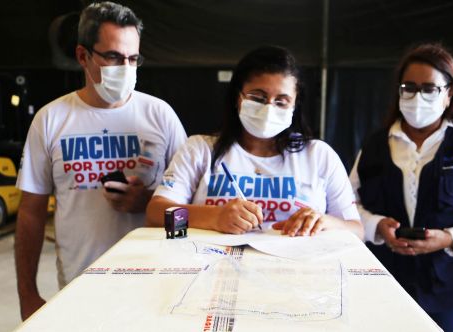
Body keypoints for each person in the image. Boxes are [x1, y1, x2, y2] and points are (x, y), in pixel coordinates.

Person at [15, 2, 186, 320]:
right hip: (79, 291)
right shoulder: (51, 120)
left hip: (155, 289)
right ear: (83, 56)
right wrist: (27, 294)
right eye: (113, 57)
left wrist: (148, 202)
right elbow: (30, 212)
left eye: (133, 59)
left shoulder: (159, 116)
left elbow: (192, 207)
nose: (125, 68)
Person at [349, 43, 453, 332]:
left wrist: (450, 238)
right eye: (409, 88)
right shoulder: (376, 144)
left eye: (429, 89)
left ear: (449, 93)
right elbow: (347, 205)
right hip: (385, 281)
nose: (417, 97)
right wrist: (377, 225)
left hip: (448, 283)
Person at [145, 46, 363, 239]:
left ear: (295, 106)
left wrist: (326, 222)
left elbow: (357, 231)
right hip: (212, 272)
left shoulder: (318, 155)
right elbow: (156, 215)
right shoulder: (200, 149)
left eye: (281, 101)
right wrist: (214, 217)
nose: (269, 108)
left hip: (296, 276)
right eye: (257, 98)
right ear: (237, 97)